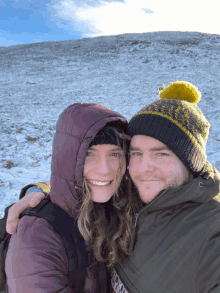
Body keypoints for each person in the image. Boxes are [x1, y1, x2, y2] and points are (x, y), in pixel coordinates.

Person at [7, 81, 220, 293]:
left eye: (161, 154)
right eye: (136, 153)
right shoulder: (127, 199)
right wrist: (38, 192)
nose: (143, 168)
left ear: (190, 163)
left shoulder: (210, 231)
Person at [4, 102, 141, 293]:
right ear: (67, 161)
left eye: (115, 154)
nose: (104, 169)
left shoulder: (122, 207)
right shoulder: (37, 236)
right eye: (89, 155)